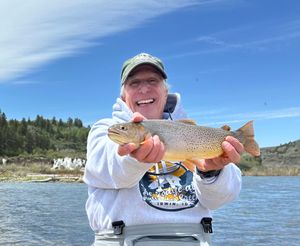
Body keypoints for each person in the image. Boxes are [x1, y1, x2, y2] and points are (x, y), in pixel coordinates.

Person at [83, 53, 243, 246]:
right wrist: (134, 158)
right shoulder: (106, 130)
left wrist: (212, 172)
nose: (144, 88)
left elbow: (220, 199)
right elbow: (108, 167)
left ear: (165, 92)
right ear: (123, 96)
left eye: (153, 80)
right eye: (134, 83)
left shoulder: (191, 131)